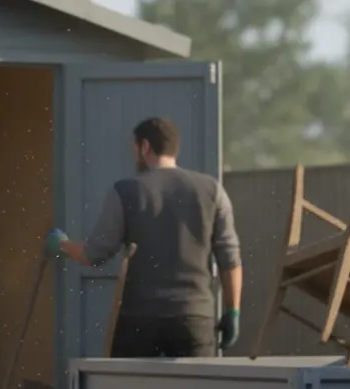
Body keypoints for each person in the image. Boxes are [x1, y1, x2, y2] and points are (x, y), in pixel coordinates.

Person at [57, 116, 243, 357]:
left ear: (145, 147)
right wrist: (233, 312)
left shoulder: (125, 191)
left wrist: (61, 244)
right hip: (195, 319)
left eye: (135, 149)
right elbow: (230, 259)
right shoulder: (212, 190)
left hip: (139, 320)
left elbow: (94, 254)